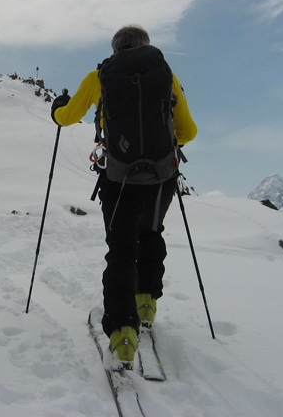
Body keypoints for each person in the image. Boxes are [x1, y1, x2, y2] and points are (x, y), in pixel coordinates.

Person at [51, 24, 197, 365]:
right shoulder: (166, 76)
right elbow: (188, 131)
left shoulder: (99, 76)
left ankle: (122, 331)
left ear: (115, 49)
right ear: (146, 47)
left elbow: (68, 117)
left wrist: (58, 107)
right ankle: (146, 303)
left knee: (120, 250)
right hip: (162, 177)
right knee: (151, 233)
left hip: (118, 178)